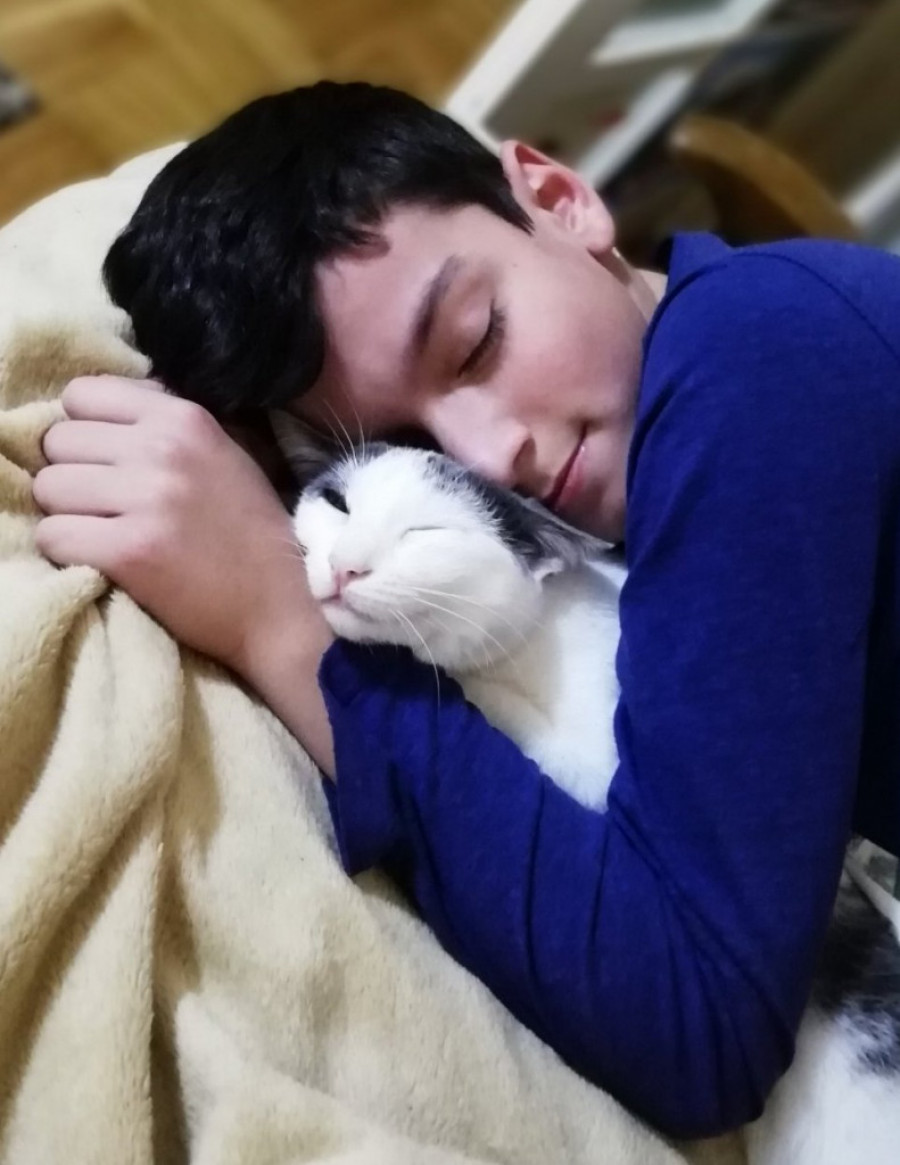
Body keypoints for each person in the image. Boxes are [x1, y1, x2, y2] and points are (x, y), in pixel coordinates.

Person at [31, 82, 900, 1138]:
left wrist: (282, 625)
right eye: (409, 450)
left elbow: (698, 1022)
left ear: (561, 199)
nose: (491, 456)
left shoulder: (747, 360)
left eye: (477, 339)